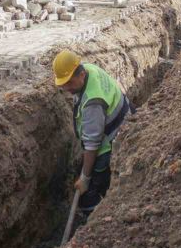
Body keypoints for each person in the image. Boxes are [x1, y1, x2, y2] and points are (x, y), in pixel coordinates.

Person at [53, 50, 131, 213]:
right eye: (63, 83)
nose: (66, 88)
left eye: (69, 83)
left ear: (81, 74)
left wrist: (85, 178)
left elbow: (93, 144)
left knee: (90, 193)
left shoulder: (93, 103)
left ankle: (94, 220)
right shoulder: (89, 69)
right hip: (124, 119)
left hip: (111, 141)